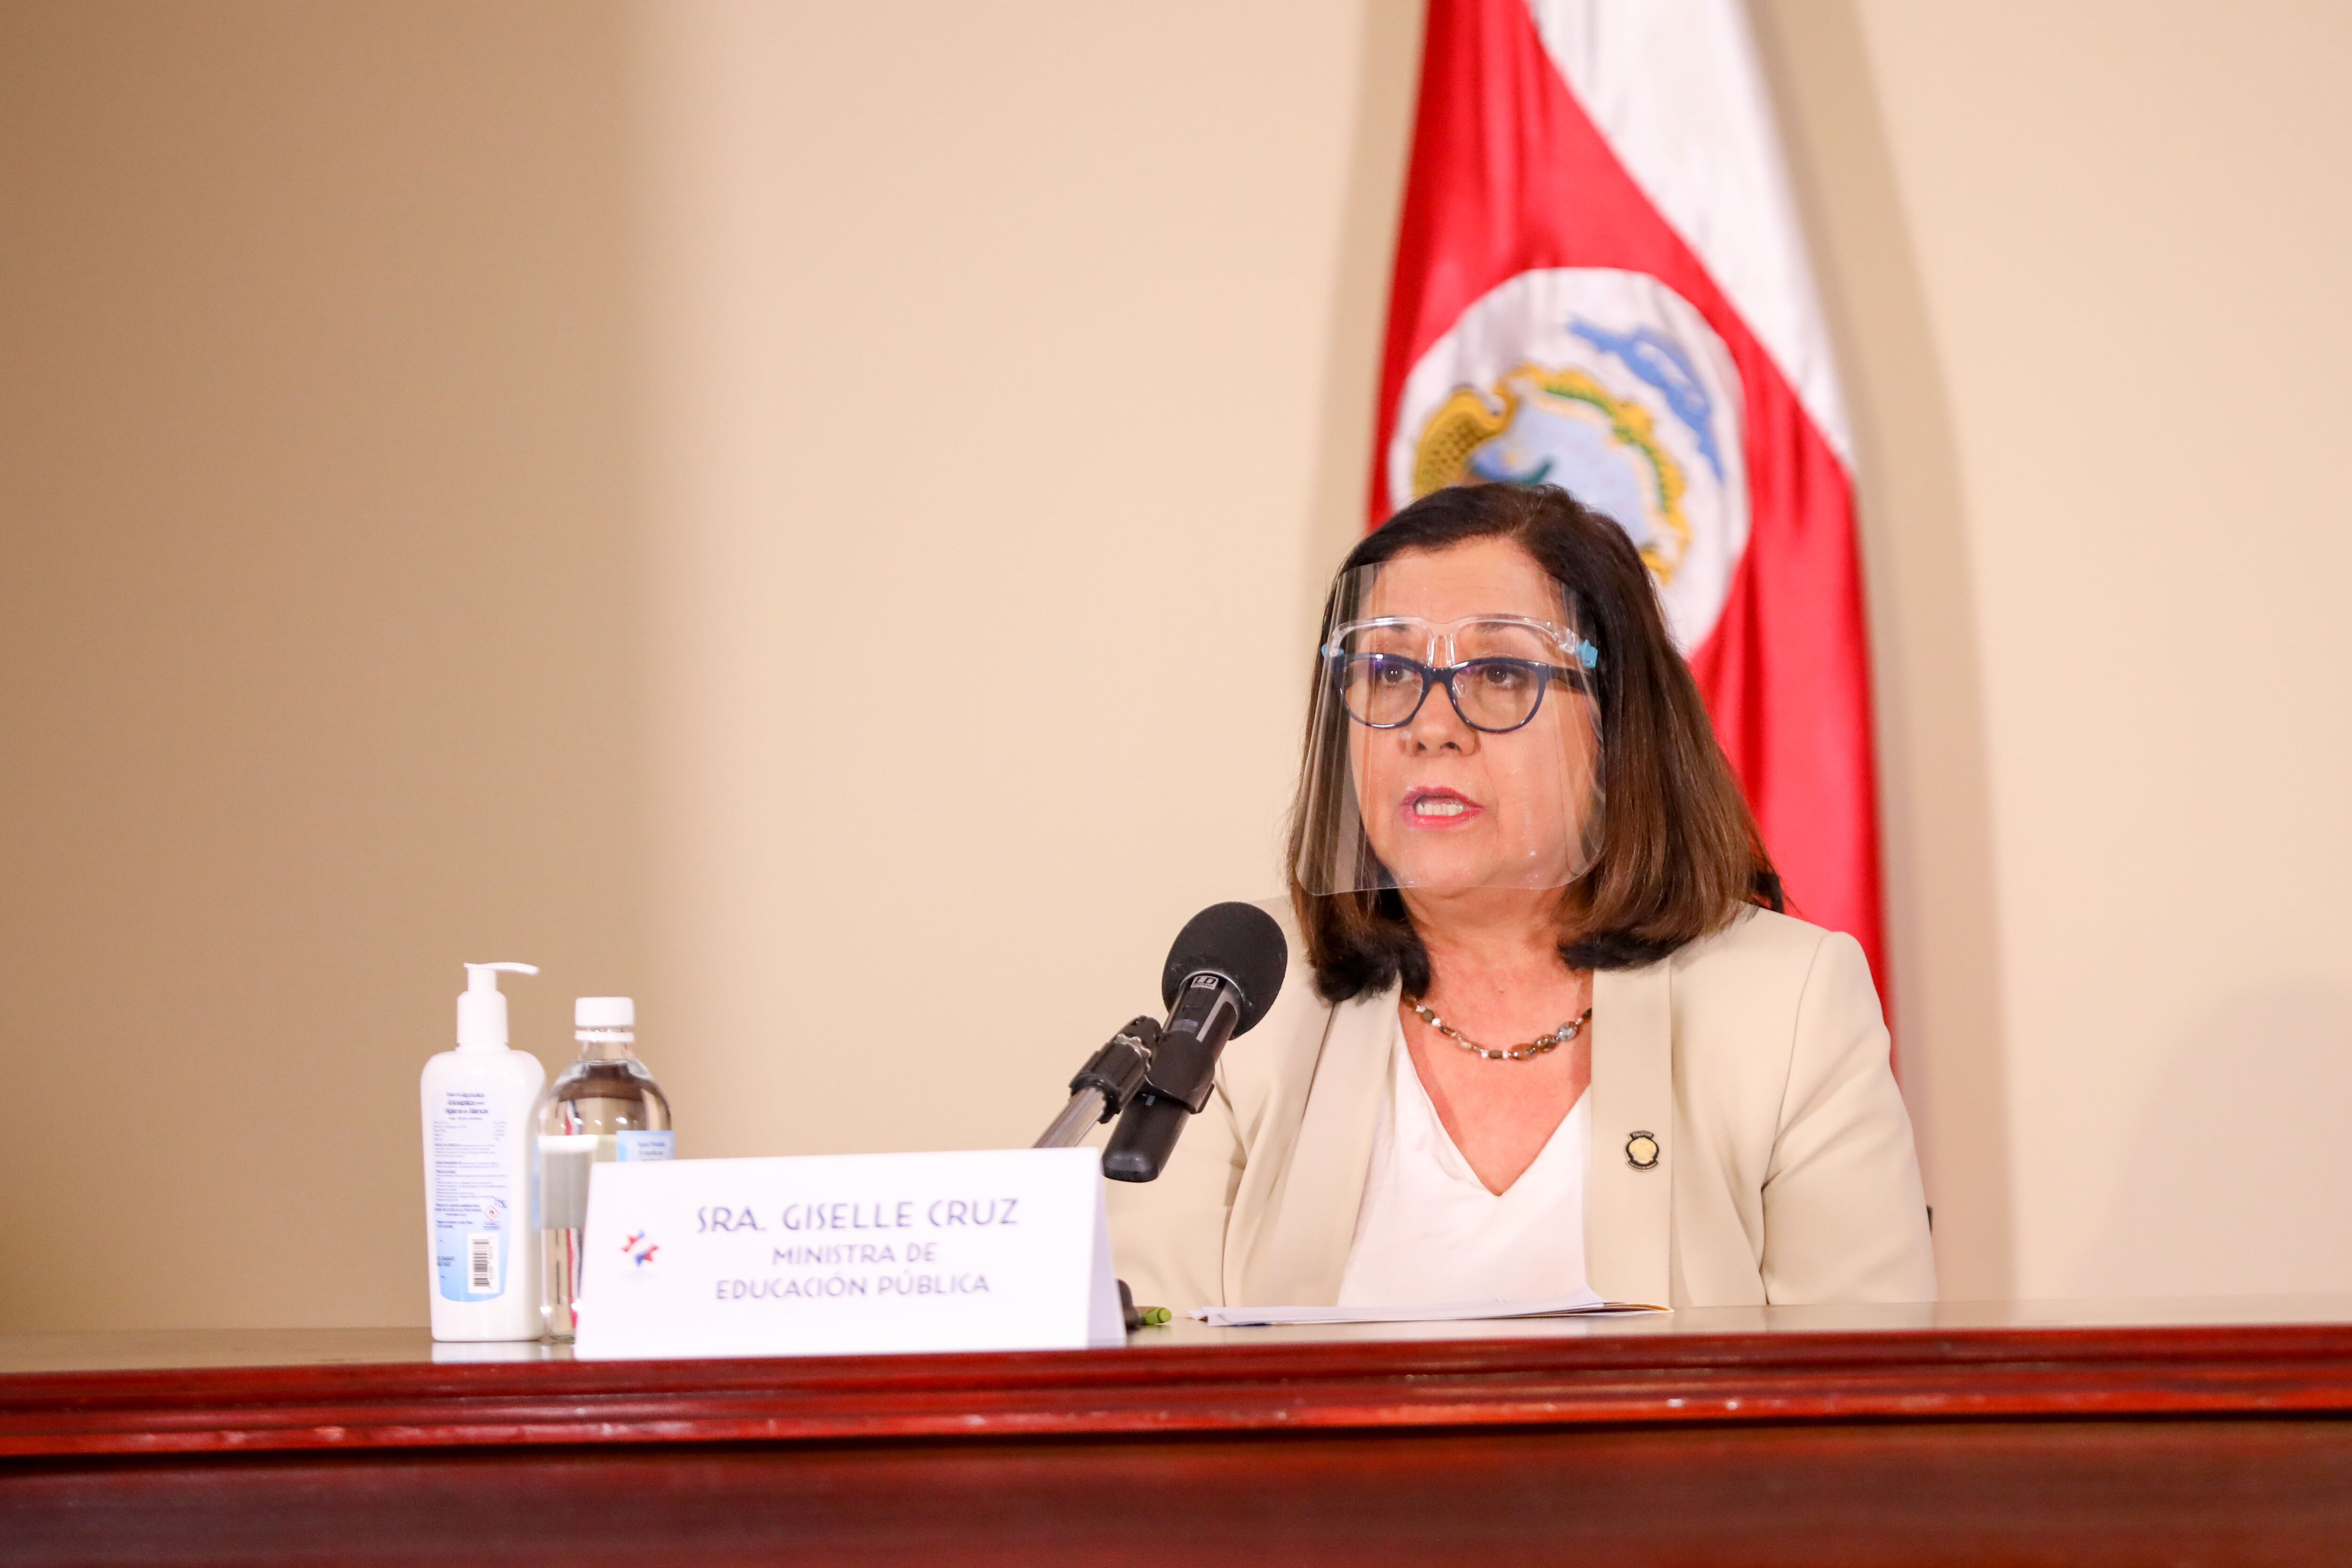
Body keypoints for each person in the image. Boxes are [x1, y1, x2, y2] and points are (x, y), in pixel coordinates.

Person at [1106, 483, 1934, 1310]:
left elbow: (1863, 1380)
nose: (1431, 726)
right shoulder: (1241, 1013)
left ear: (1617, 724)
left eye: (1500, 672)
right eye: (1388, 670)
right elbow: (1144, 1363)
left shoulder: (1789, 1006)